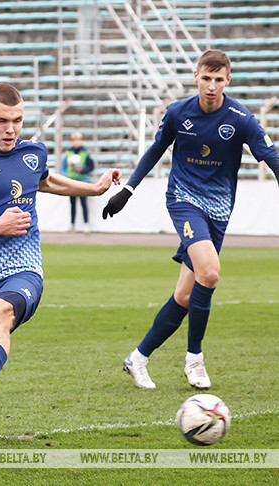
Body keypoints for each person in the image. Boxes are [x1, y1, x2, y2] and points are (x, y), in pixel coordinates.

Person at [0, 83, 120, 435]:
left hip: (23, 269)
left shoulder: (33, 152)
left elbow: (47, 181)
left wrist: (94, 188)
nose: (11, 129)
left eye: (18, 120)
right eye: (2, 120)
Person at [102, 49, 279, 390]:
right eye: (206, 78)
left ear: (228, 81)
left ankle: (137, 357)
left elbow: (270, 155)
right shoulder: (177, 112)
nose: (211, 86)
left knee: (185, 295)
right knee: (210, 273)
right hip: (183, 202)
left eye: (218, 79)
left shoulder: (240, 118)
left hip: (218, 212)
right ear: (195, 76)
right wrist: (129, 190)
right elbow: (155, 150)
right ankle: (194, 359)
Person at [59, 132, 95, 233]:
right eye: (74, 140)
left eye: (78, 140)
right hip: (71, 182)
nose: (76, 142)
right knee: (73, 204)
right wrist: (66, 177)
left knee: (84, 203)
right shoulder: (68, 153)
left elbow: (91, 166)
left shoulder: (85, 153)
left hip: (83, 181)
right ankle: (72, 225)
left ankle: (86, 224)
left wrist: (82, 170)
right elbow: (63, 168)